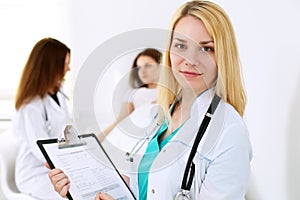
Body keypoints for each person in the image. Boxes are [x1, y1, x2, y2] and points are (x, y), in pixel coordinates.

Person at [48, 1, 252, 199]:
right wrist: (80, 183)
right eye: (181, 45)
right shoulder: (159, 114)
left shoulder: (229, 131)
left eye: (206, 48)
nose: (190, 60)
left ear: (223, 56)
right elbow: (142, 186)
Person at [13, 37, 71, 200]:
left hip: (55, 167)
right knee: (73, 193)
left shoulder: (58, 92)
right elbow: (42, 151)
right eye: (66, 63)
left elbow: (64, 129)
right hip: (35, 173)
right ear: (53, 65)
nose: (69, 68)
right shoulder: (30, 106)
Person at [99, 48, 162, 140]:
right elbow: (119, 121)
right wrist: (101, 137)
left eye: (148, 66)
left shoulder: (173, 92)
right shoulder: (134, 94)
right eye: (139, 67)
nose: (143, 71)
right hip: (138, 137)